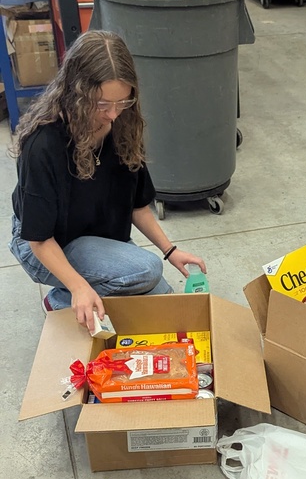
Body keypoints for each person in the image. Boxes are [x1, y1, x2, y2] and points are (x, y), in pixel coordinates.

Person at [10, 29, 206, 334]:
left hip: (96, 235)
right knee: (146, 270)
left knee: (162, 300)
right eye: (101, 104)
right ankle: (61, 299)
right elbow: (39, 239)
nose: (113, 114)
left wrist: (171, 250)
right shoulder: (44, 144)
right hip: (47, 245)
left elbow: (137, 205)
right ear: (75, 92)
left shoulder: (123, 125)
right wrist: (77, 287)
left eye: (122, 102)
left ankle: (86, 291)